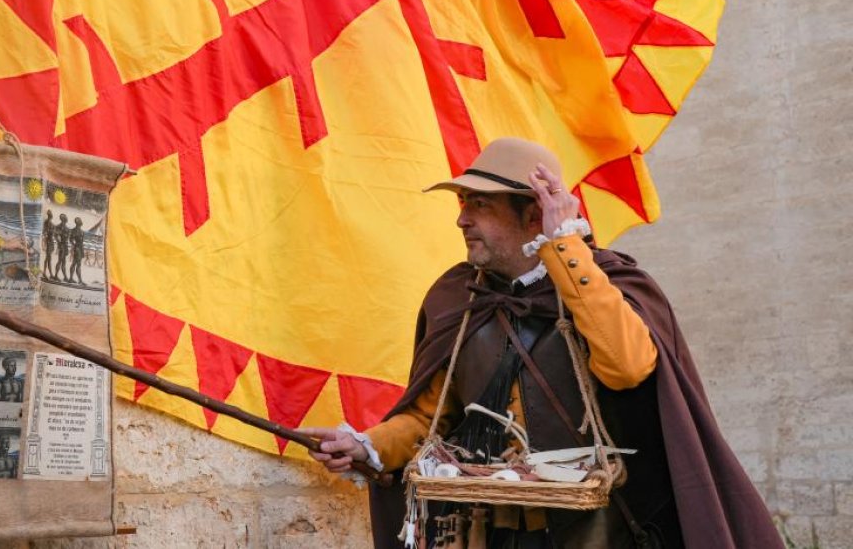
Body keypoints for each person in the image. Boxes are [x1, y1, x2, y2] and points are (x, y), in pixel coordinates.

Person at [303, 138, 781, 548]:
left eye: (480, 205)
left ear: (534, 214)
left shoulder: (606, 283)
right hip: (494, 530)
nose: (461, 220)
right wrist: (369, 447)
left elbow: (628, 365)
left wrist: (565, 247)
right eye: (463, 203)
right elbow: (429, 419)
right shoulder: (458, 298)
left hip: (598, 531)